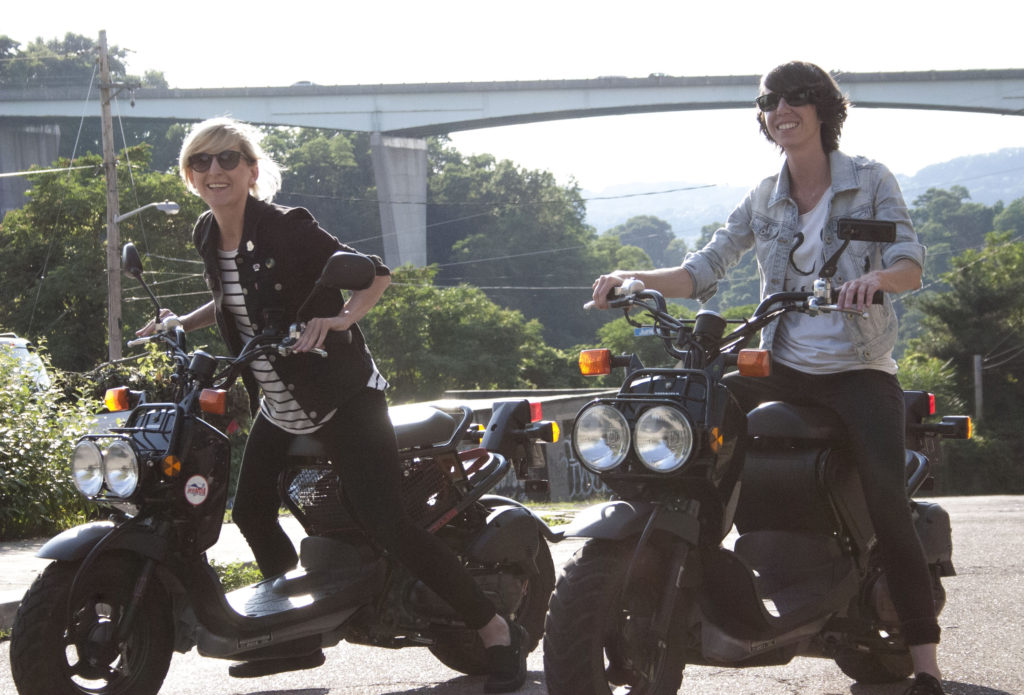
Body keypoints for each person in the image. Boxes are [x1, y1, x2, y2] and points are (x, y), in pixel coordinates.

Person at [137, 117, 527, 692]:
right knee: (247, 510)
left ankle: (494, 629)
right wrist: (181, 320)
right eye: (201, 162)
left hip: (342, 394)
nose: (214, 171)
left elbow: (375, 274)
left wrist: (342, 318)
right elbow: (228, 294)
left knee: (385, 521)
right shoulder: (205, 232)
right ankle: (291, 633)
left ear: (250, 169)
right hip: (277, 399)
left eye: (227, 160)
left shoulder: (287, 227)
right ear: (189, 175)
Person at [591, 62, 945, 695]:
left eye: (797, 98)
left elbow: (910, 261)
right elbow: (704, 268)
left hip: (856, 369)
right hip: (779, 363)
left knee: (888, 501)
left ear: (822, 109)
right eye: (770, 101)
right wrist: (635, 280)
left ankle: (924, 661)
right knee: (700, 416)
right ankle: (692, 551)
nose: (782, 109)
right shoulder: (764, 195)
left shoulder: (869, 180)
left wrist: (876, 280)